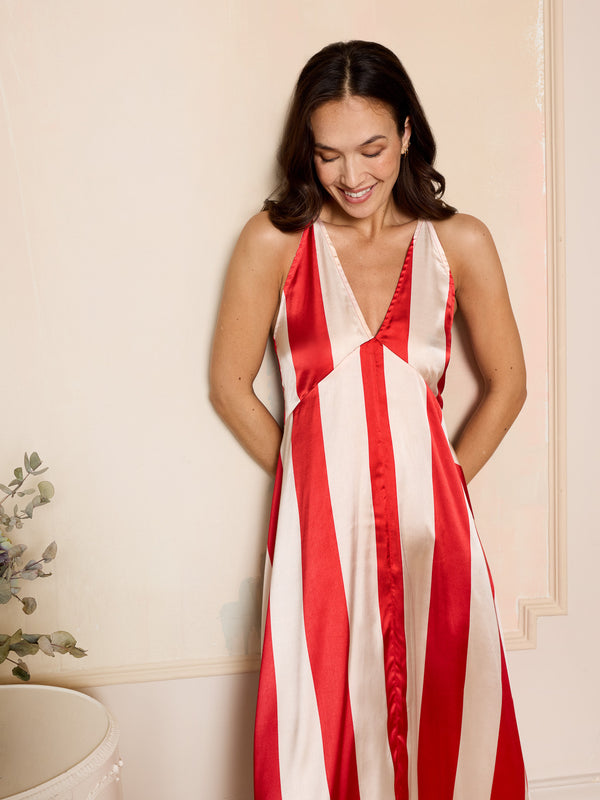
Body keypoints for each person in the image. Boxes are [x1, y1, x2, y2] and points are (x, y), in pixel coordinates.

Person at [210, 40, 528, 800]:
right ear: (306, 152)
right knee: (321, 739)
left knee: (452, 721)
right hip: (317, 532)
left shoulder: (461, 243)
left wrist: (444, 481)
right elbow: (229, 383)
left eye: (372, 149)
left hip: (435, 534)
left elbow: (509, 382)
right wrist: (309, 481)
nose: (352, 177)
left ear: (409, 133)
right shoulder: (274, 244)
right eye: (328, 155)